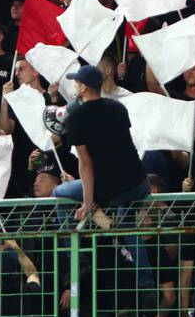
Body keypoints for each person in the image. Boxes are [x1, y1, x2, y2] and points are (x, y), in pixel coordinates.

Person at [52, 64, 150, 222]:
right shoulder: (118, 108)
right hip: (139, 183)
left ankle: (70, 246)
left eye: (76, 83)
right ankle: (113, 228)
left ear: (83, 87)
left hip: (113, 189)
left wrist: (88, 203)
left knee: (59, 193)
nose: (75, 86)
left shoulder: (75, 118)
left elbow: (85, 164)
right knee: (128, 230)